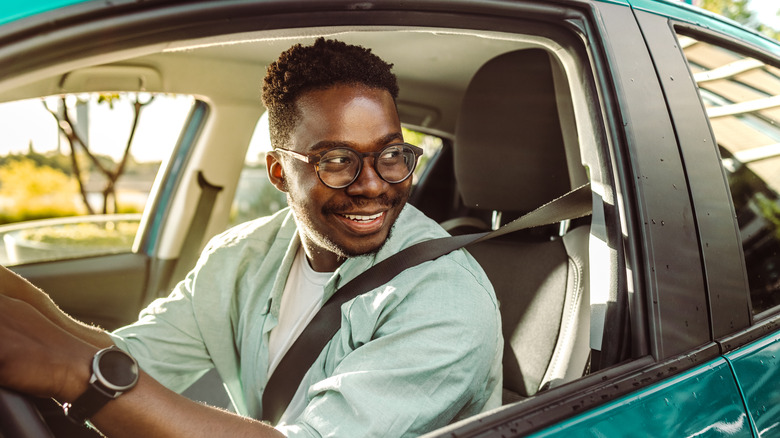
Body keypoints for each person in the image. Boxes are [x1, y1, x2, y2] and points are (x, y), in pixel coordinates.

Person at [0, 38, 502, 437]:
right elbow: (138, 363)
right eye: (336, 160)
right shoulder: (241, 255)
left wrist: (72, 371)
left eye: (390, 155)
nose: (372, 185)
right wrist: (26, 302)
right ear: (280, 173)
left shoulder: (447, 300)